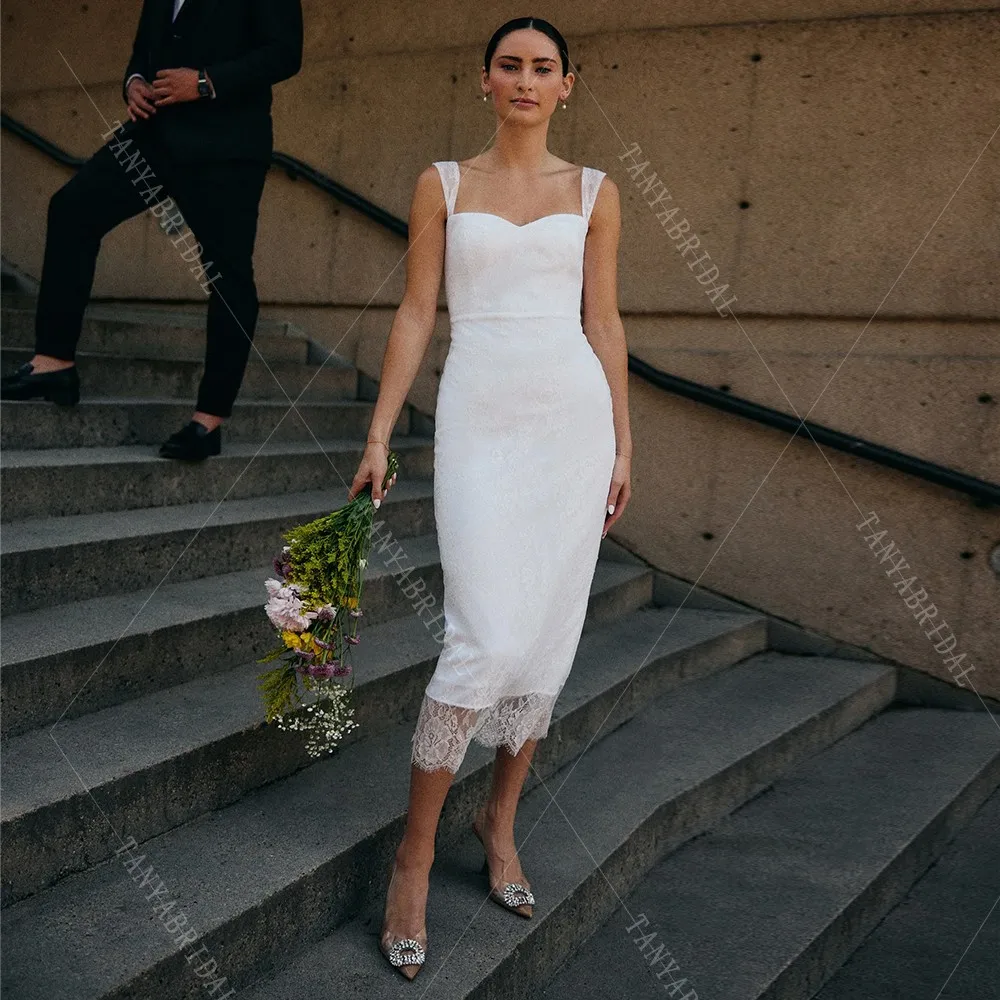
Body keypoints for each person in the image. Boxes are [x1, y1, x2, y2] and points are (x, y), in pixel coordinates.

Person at [346, 17, 633, 980]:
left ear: (567, 86)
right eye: (509, 64)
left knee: (547, 638)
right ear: (484, 81)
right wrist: (382, 431)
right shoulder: (444, 182)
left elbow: (604, 319)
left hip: (571, 425)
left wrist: (624, 442)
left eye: (542, 67)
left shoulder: (595, 193)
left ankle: (499, 819)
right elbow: (419, 309)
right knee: (483, 638)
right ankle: (414, 857)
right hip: (478, 417)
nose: (524, 78)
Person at [0, 0, 303, 461]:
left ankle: (209, 420)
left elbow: (285, 52)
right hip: (154, 136)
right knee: (72, 208)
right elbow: (147, 47)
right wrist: (134, 82)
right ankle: (54, 363)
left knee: (227, 274)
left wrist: (202, 83)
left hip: (226, 150)